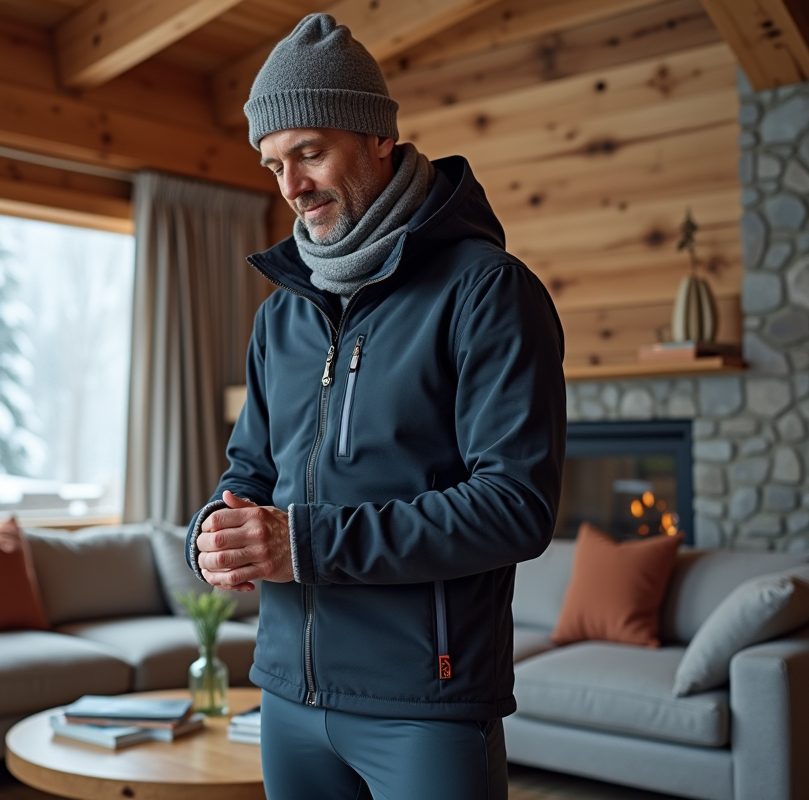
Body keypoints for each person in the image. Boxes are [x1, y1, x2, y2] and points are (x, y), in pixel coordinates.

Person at [185, 13, 565, 800]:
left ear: (378, 137)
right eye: (273, 163)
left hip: (424, 704)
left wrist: (304, 544)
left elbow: (515, 508)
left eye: (310, 153)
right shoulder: (280, 316)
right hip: (288, 695)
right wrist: (214, 535)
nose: (291, 187)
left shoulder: (486, 290)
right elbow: (250, 470)